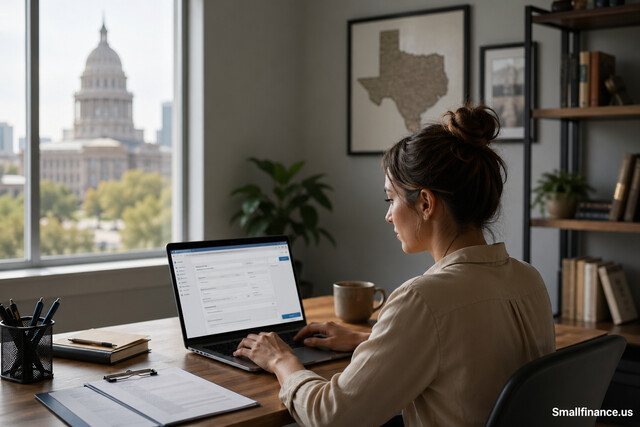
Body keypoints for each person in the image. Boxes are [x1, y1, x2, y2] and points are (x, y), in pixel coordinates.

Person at [234, 104, 555, 426]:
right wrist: (371, 341)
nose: (388, 215)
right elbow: (470, 352)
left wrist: (281, 360)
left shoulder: (425, 299)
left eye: (391, 199)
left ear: (426, 203)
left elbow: (331, 417)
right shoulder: (529, 278)